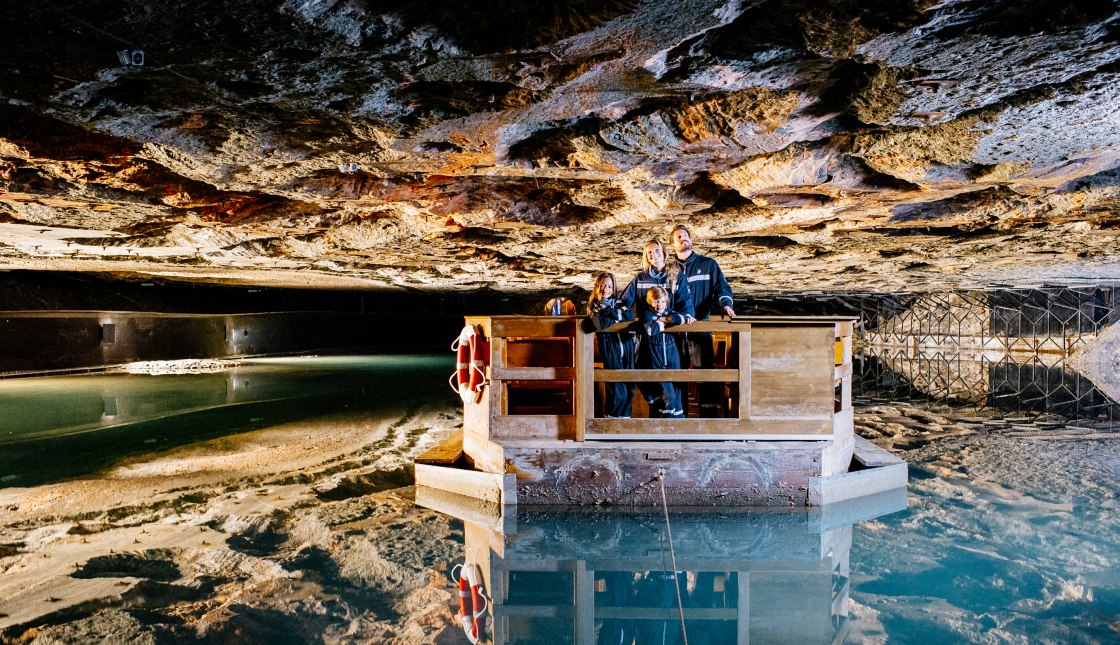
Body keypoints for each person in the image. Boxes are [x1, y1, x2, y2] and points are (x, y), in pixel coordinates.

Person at [620, 238, 695, 416]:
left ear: (664, 252)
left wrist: (685, 316)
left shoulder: (675, 275)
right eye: (649, 253)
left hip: (672, 339)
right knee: (653, 380)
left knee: (674, 382)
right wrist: (620, 308)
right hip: (648, 339)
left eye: (656, 250)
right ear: (646, 257)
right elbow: (624, 300)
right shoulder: (640, 278)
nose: (653, 254)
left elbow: (685, 302)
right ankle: (658, 423)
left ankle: (676, 423)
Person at [668, 223, 734, 417]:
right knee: (676, 374)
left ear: (691, 239)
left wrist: (725, 304)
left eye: (685, 235)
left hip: (701, 329)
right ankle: (679, 419)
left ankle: (708, 420)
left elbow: (722, 287)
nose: (682, 238)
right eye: (678, 237)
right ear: (673, 245)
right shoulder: (669, 270)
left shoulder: (708, 265)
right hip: (676, 331)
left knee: (705, 374)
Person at [587, 273, 637, 418]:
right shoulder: (594, 306)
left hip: (626, 345)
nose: (606, 289)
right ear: (597, 287)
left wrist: (609, 313)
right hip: (610, 347)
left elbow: (630, 317)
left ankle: (625, 420)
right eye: (602, 285)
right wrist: (618, 317)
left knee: (629, 386)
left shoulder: (619, 303)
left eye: (609, 286)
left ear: (614, 288)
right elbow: (601, 324)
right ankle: (611, 420)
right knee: (616, 388)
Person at [640, 286, 686, 418]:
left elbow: (681, 319)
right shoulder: (647, 314)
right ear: (650, 302)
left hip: (672, 359)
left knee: (676, 394)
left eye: (662, 301)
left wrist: (664, 320)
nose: (659, 305)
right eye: (656, 301)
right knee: (667, 396)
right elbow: (650, 330)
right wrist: (661, 324)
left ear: (666, 301)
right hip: (656, 359)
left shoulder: (670, 312)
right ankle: (664, 427)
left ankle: (677, 426)